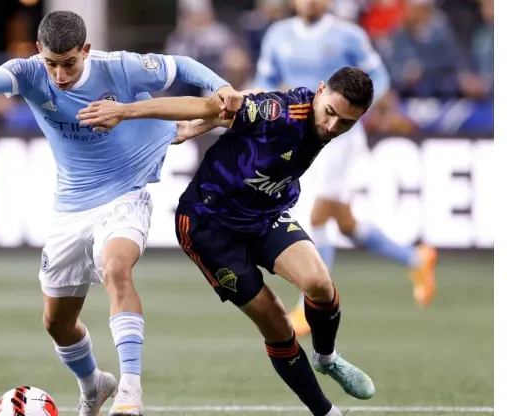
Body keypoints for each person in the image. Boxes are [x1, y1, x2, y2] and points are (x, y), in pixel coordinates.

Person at [0, 10, 242, 416]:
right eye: (51, 63)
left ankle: (129, 390)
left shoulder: (119, 67)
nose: (58, 74)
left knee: (116, 268)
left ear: (85, 50)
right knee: (56, 322)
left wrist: (223, 85)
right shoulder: (30, 72)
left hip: (127, 193)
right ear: (40, 52)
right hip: (71, 207)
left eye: (69, 63)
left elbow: (183, 66)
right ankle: (94, 384)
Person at [77, 66, 376, 416]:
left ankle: (326, 358)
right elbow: (215, 105)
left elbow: (238, 108)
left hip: (264, 215)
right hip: (208, 226)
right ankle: (326, 412)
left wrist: (208, 124)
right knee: (277, 323)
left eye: (346, 123)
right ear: (321, 90)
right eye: (330, 114)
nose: (332, 127)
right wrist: (127, 112)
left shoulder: (318, 116)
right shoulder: (278, 113)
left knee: (320, 285)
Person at [254, 0, 437, 337]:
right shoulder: (277, 35)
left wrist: (355, 112)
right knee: (344, 222)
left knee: (317, 214)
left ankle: (310, 305)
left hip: (338, 136)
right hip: (298, 134)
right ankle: (416, 258)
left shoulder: (348, 36)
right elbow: (265, 81)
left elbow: (378, 76)